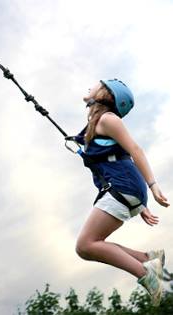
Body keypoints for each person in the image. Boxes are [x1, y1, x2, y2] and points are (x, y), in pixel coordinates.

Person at [72, 79, 171, 305]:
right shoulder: (96, 124)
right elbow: (112, 161)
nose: (90, 86)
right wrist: (140, 204)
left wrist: (152, 186)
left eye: (97, 84)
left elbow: (134, 150)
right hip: (123, 186)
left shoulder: (108, 119)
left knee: (86, 245)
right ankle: (148, 260)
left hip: (123, 185)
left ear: (106, 95)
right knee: (91, 244)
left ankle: (147, 275)